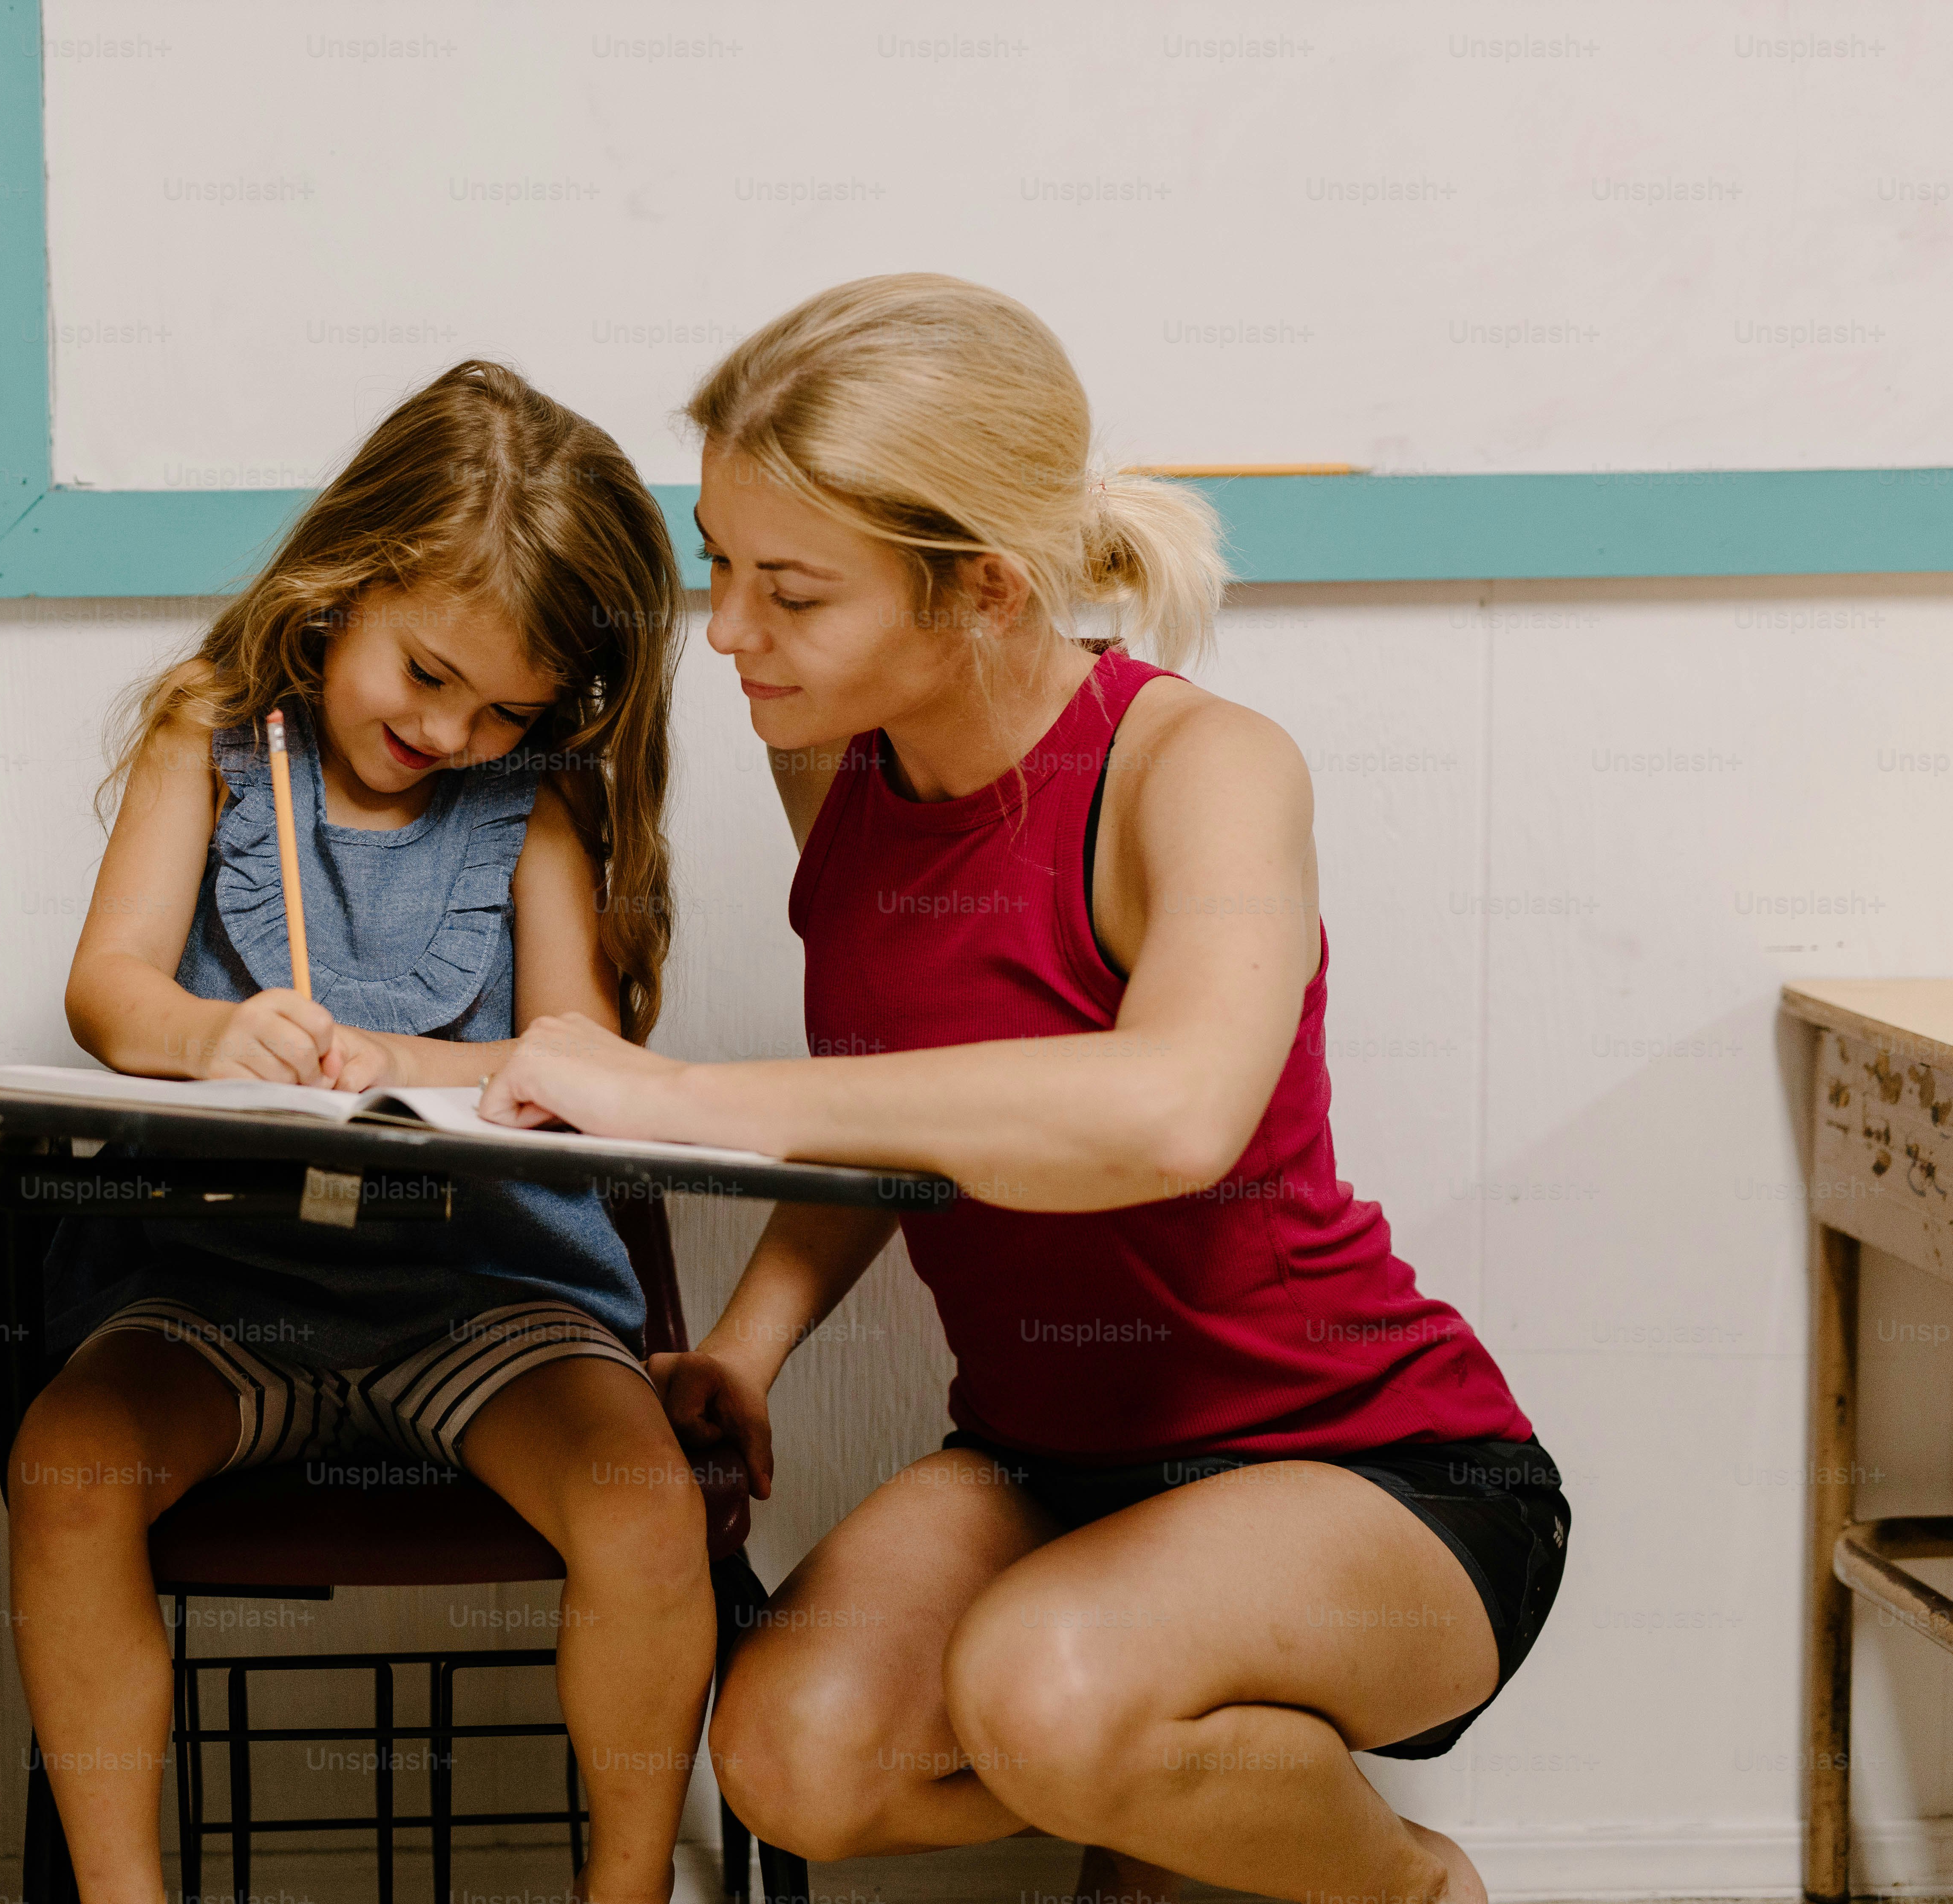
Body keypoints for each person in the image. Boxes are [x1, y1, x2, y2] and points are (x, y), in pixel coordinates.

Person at [479, 277, 1568, 1904]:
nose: (726, 632)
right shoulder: (836, 757)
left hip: (1370, 1463)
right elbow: (909, 1101)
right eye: (719, 560)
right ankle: (1168, 1795)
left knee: (1046, 1696)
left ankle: (1405, 1887)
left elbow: (1167, 1117)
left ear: (980, 591)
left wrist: (690, 1096)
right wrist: (747, 1348)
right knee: (788, 1757)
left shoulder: (1198, 768)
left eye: (791, 589)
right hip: (1046, 1458)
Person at [9, 360, 706, 1904]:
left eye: (508, 707)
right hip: (213, 1294)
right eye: (428, 674)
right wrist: (212, 1037)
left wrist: (394, 1054)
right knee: (67, 1470)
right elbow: (108, 992)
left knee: (645, 1502)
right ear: (343, 586)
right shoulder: (208, 735)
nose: (454, 730)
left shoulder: (531, 806)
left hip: (484, 1300)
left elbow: (578, 1053)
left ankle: (634, 1893)